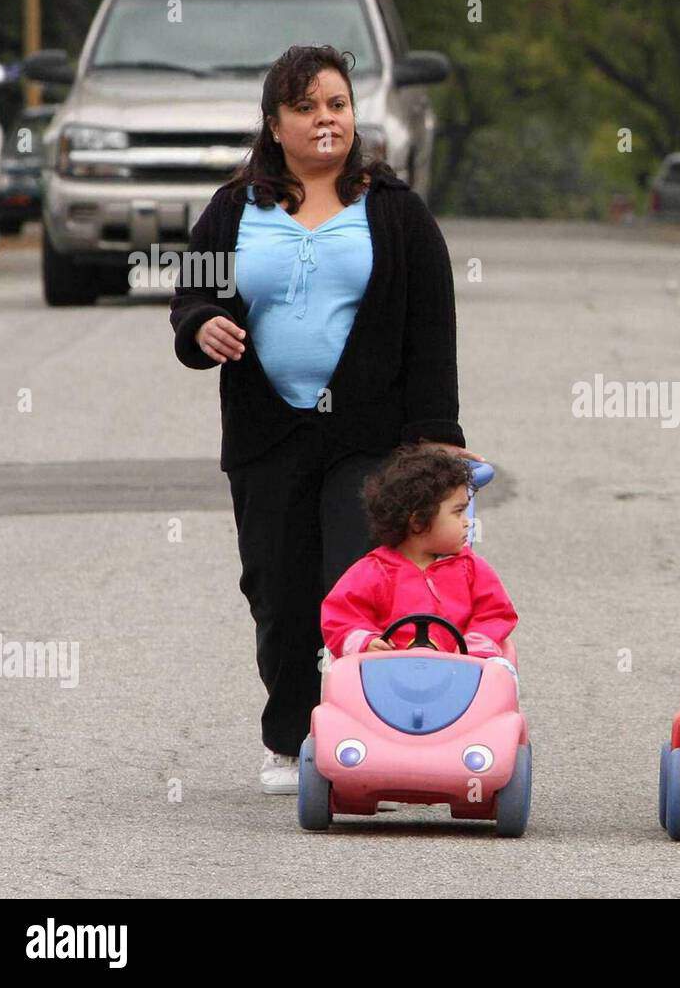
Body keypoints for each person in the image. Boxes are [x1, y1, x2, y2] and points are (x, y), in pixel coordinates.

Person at [169, 44, 480, 794]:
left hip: (368, 439)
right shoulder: (232, 209)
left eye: (336, 104)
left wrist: (440, 440)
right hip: (266, 434)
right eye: (305, 107)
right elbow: (192, 297)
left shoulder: (395, 212)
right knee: (277, 589)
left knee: (353, 581)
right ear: (275, 123)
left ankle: (352, 731)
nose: (324, 119)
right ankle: (290, 736)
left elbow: (431, 327)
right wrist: (202, 324)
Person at [321, 445, 518, 659]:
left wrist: (474, 644)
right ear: (418, 522)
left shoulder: (471, 569)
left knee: (498, 675)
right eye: (458, 512)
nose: (467, 523)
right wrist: (367, 641)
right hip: (388, 679)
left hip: (461, 675)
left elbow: (496, 612)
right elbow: (340, 616)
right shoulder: (374, 571)